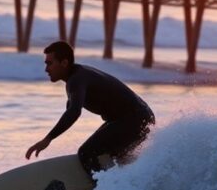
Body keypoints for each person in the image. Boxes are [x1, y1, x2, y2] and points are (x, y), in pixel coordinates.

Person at [26, 41, 155, 174]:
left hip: (135, 119)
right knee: (113, 155)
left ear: (64, 63)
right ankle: (128, 180)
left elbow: (74, 112)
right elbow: (70, 110)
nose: (46, 69)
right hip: (139, 118)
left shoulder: (76, 80)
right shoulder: (78, 76)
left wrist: (48, 139)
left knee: (86, 153)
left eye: (49, 63)